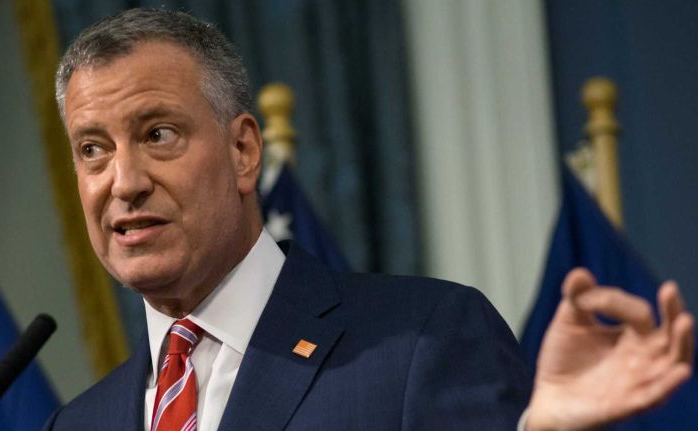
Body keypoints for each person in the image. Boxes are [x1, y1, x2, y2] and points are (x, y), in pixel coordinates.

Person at [43, 8, 694, 431]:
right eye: (93, 149)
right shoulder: (76, 423)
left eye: (157, 134)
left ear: (243, 150)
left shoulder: (421, 343)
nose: (122, 182)